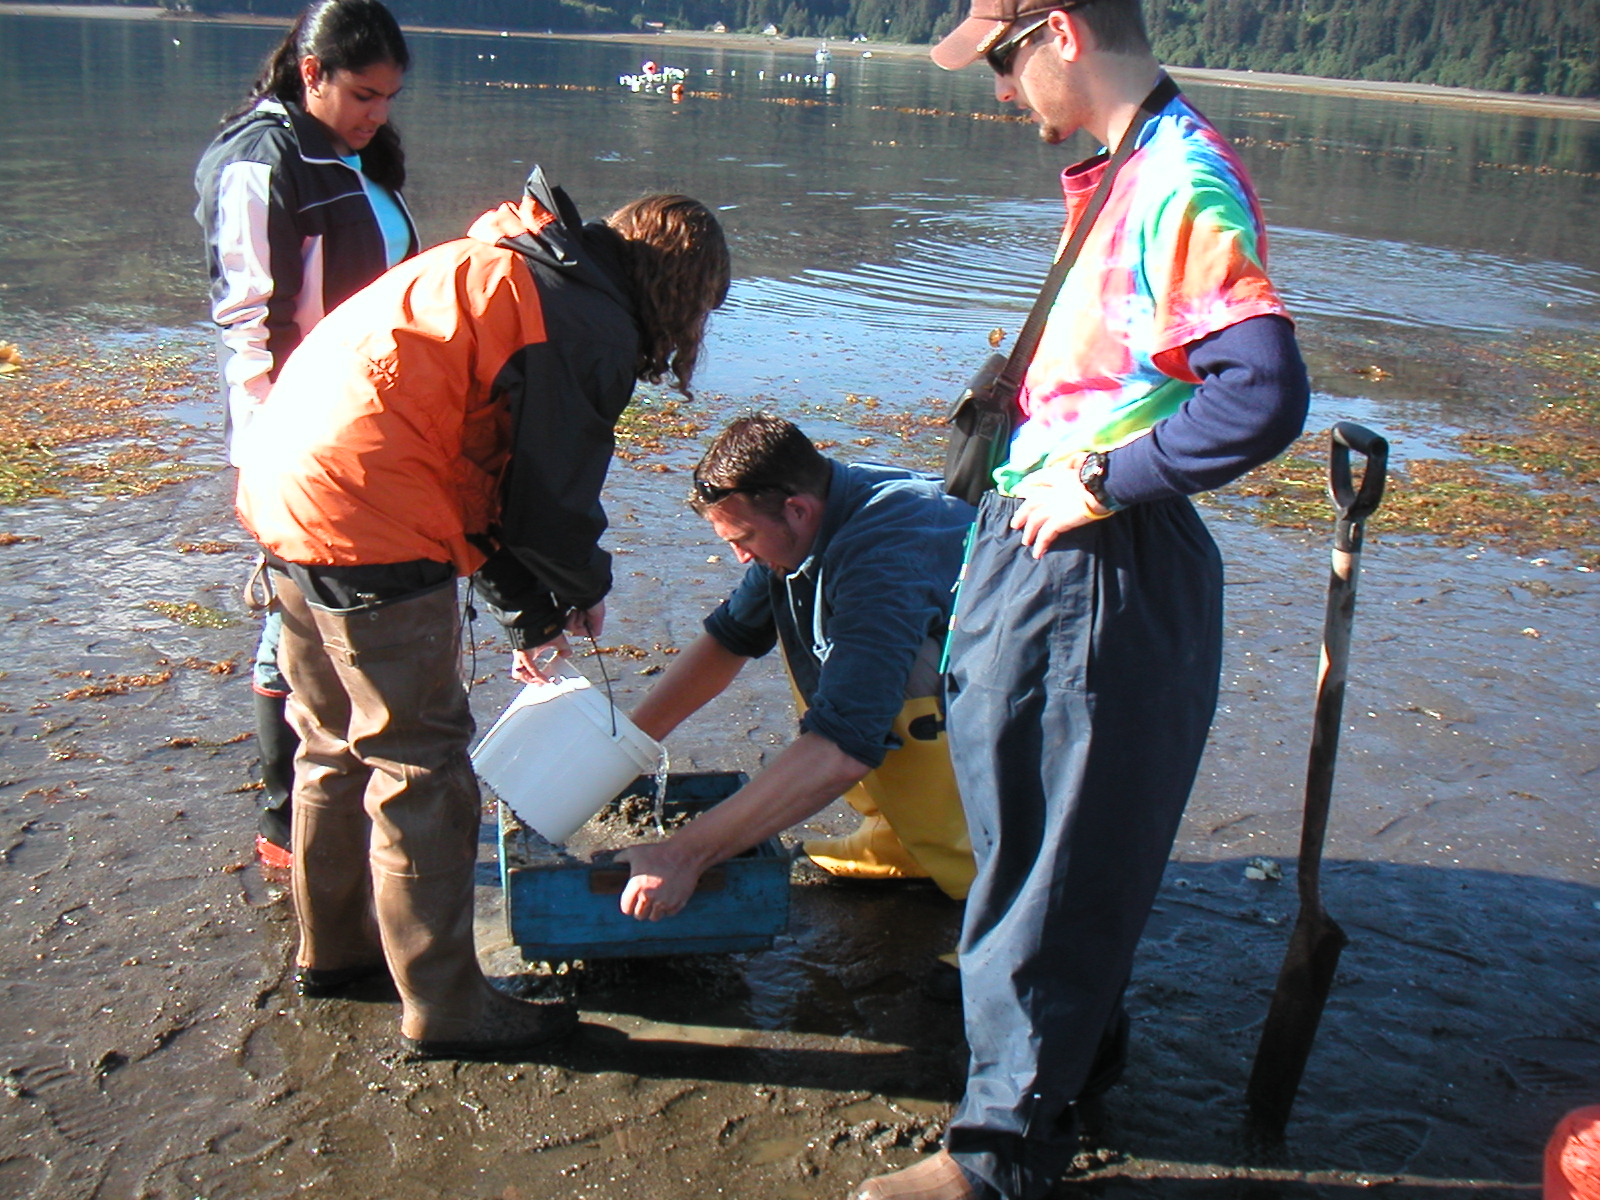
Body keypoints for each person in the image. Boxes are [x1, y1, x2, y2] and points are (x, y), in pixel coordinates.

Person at [852, 2, 1310, 1197]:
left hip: (1095, 569)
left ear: (1058, 29)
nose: (1001, 91)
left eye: (1003, 60)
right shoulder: (1127, 170)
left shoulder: (1176, 180)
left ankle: (996, 1157)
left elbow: (1259, 392)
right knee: (1030, 837)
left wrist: (1106, 478)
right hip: (1056, 550)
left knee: (1047, 863)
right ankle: (1069, 1073)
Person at [233, 168, 730, 1056]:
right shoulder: (587, 323)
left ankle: (337, 953)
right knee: (419, 764)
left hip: (287, 472)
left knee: (331, 741)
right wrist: (576, 592)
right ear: (680, 290)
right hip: (368, 500)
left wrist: (530, 615)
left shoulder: (518, 266)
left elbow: (482, 474)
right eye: (704, 310)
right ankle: (448, 1005)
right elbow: (545, 502)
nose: (695, 333)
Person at [194, 0, 418, 871]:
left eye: (390, 99)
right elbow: (246, 322)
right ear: (312, 72)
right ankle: (285, 822)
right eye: (364, 94)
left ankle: (317, 810)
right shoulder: (262, 158)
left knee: (310, 620)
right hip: (302, 436)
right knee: (289, 624)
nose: (377, 115)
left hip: (359, 425)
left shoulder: (341, 151)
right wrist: (267, 448)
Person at [615, 415, 977, 920]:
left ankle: (992, 890)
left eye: (742, 538)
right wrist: (622, 750)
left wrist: (683, 854)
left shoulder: (883, 556)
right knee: (803, 631)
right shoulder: (809, 517)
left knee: (875, 689)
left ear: (797, 509)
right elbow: (729, 641)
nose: (740, 556)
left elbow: (846, 744)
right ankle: (904, 838)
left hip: (1025, 707)